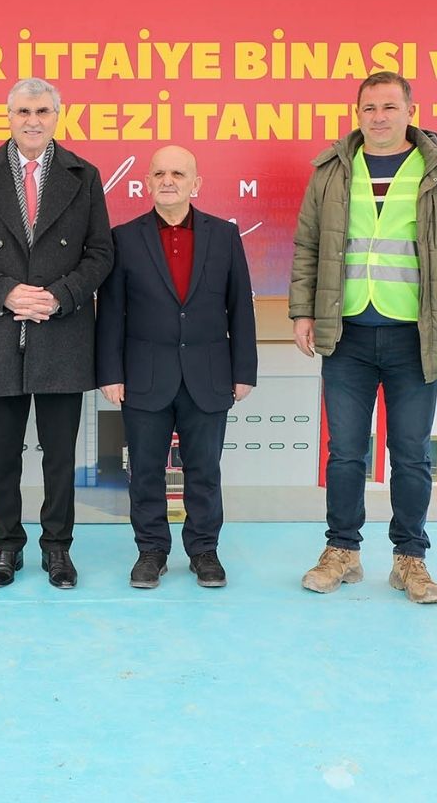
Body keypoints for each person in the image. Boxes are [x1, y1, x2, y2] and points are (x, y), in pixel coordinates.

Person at [289, 71, 437, 604]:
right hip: (346, 332)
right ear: (357, 113)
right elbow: (308, 244)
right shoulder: (332, 171)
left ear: (410, 110)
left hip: (415, 338)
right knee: (345, 452)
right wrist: (303, 312)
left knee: (411, 453)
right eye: (369, 107)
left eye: (390, 106)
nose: (379, 116)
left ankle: (410, 560)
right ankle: (342, 552)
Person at [0, 78, 113, 589]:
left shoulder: (83, 176)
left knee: (61, 456)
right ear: (9, 116)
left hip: (61, 335)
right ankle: (6, 549)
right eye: (23, 111)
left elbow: (101, 254)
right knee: (1, 456)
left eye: (42, 110)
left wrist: (59, 296)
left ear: (57, 115)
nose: (32, 120)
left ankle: (57, 549)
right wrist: (5, 292)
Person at [96, 145, 257, 589]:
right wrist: (110, 372)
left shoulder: (224, 236)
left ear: (195, 183)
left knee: (205, 469)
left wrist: (243, 371)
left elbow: (239, 306)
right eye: (160, 174)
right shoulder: (124, 238)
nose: (168, 181)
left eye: (178, 174)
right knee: (145, 470)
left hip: (209, 374)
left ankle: (204, 551)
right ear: (146, 182)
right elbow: (111, 311)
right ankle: (151, 551)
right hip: (144, 375)